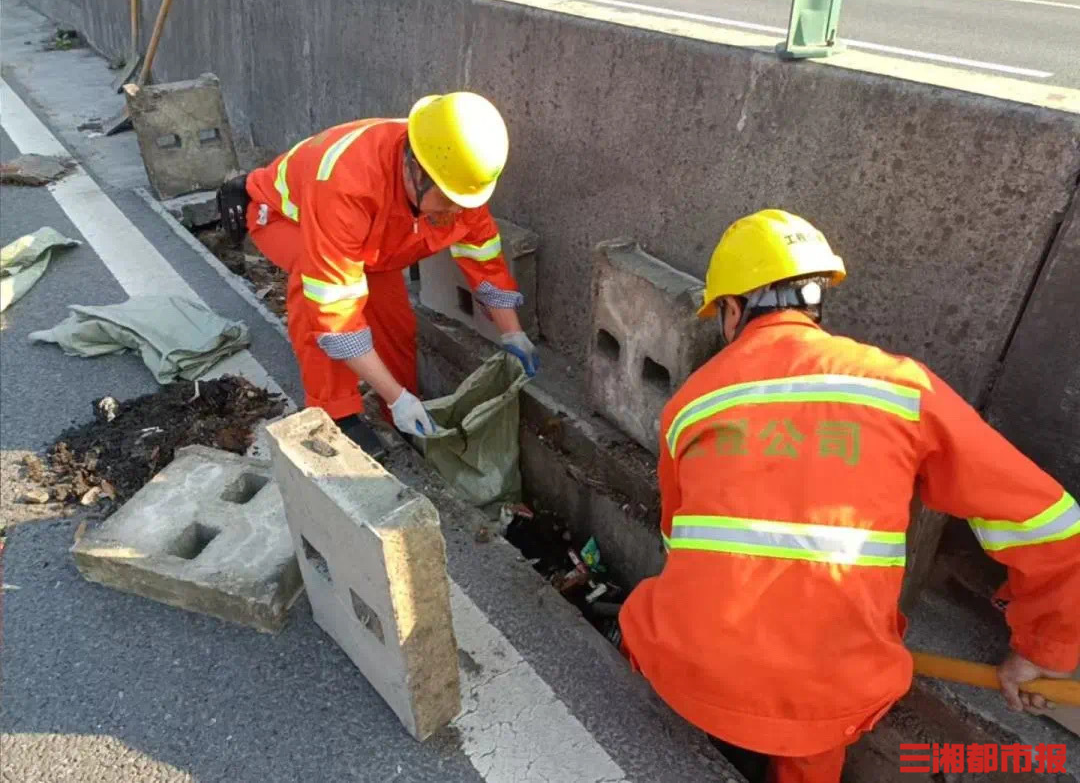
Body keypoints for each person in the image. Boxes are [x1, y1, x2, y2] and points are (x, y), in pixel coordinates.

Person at [616, 208, 1080, 783]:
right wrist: (1043, 649)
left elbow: (677, 540)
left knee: (642, 618)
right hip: (829, 699)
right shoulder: (901, 388)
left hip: (693, 671)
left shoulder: (691, 403)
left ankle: (639, 740)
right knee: (816, 739)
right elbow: (1051, 523)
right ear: (814, 305)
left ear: (732, 311)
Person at [216, 92, 538, 451]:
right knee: (317, 301)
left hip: (370, 238)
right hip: (284, 219)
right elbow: (334, 314)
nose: (455, 212)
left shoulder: (455, 177)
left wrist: (512, 333)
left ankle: (400, 407)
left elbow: (482, 254)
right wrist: (397, 399)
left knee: (394, 322)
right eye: (447, 202)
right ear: (415, 169)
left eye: (463, 203)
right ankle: (336, 413)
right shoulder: (348, 185)